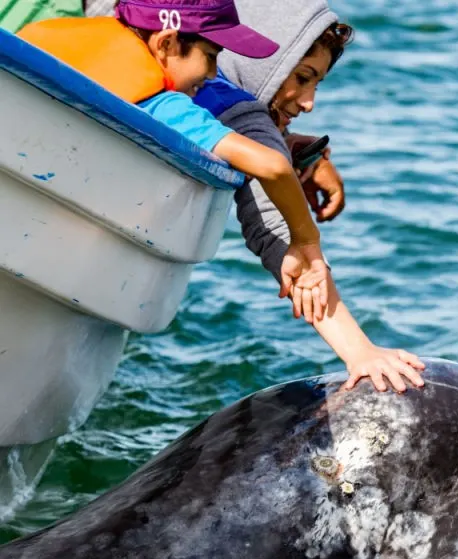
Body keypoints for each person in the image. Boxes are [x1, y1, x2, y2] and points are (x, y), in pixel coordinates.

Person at [18, 0, 331, 323]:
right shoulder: (164, 106)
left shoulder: (43, 39)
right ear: (167, 43)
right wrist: (306, 238)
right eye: (210, 56)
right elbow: (274, 166)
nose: (212, 74)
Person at [190, 0, 426, 394]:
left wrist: (301, 151)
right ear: (262, 61)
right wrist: (359, 352)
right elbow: (284, 236)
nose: (308, 102)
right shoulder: (243, 114)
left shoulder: (166, 58)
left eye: (316, 83)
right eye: (301, 77)